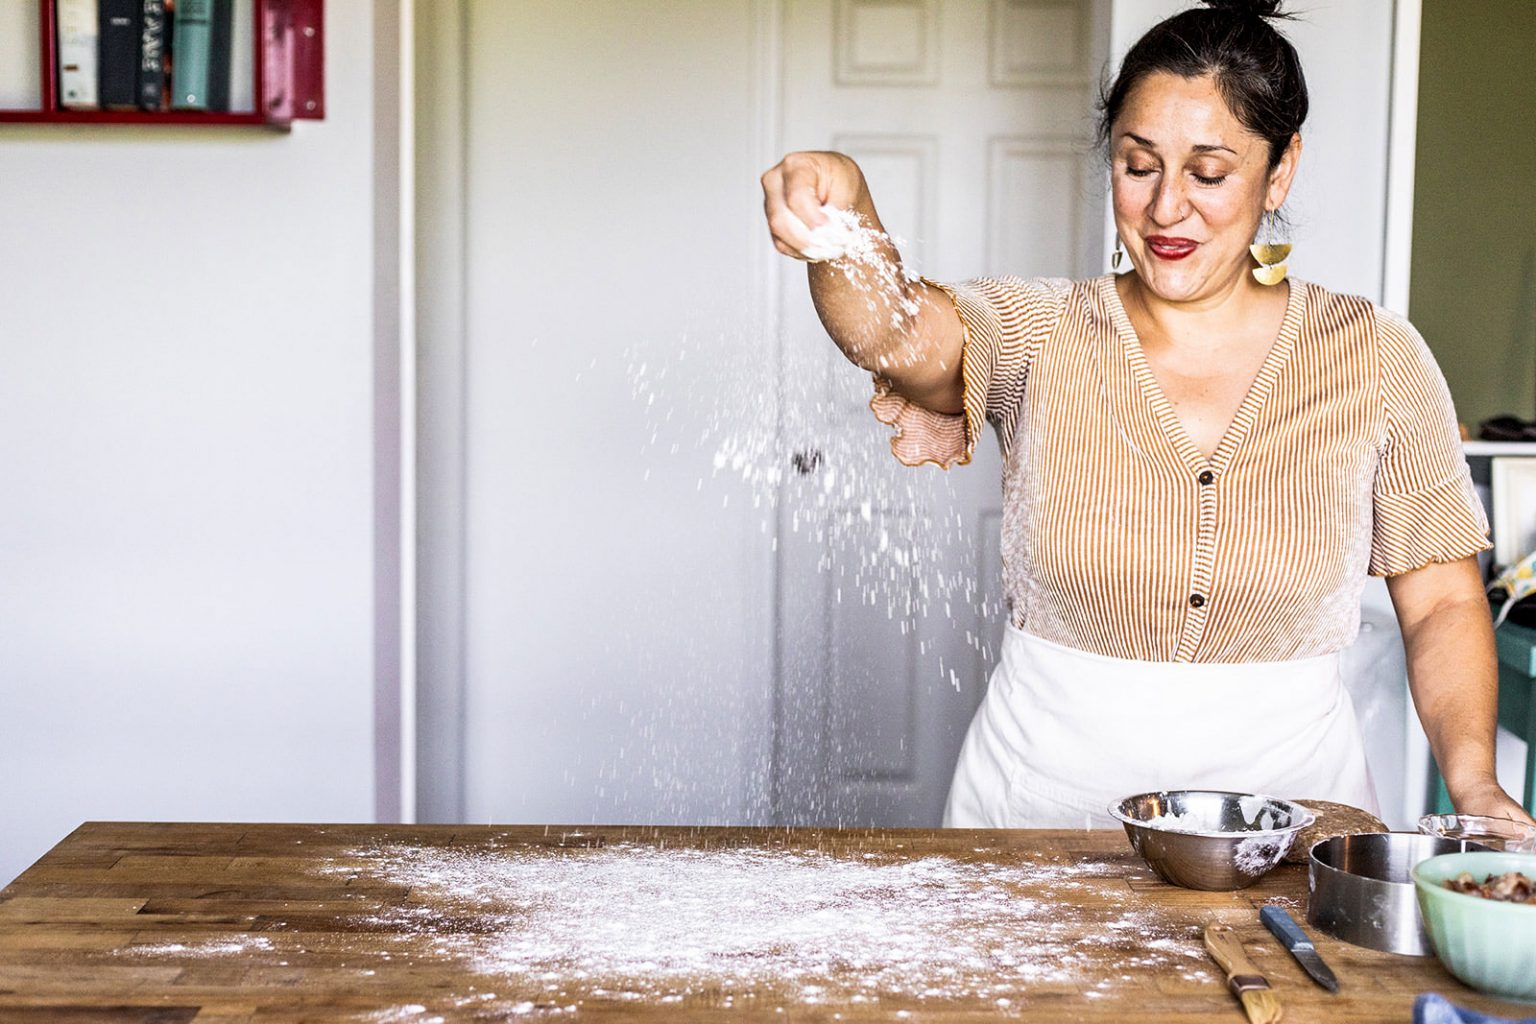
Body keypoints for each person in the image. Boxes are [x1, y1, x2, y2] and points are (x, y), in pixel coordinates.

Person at [759, 0, 1533, 828]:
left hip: (1293, 831)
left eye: (1208, 173)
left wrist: (1477, 782)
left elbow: (1444, 601)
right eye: (1138, 165)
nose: (1166, 209)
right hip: (1039, 824)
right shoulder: (1040, 331)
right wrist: (845, 219)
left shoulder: (1376, 357)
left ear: (1281, 170)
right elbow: (895, 330)